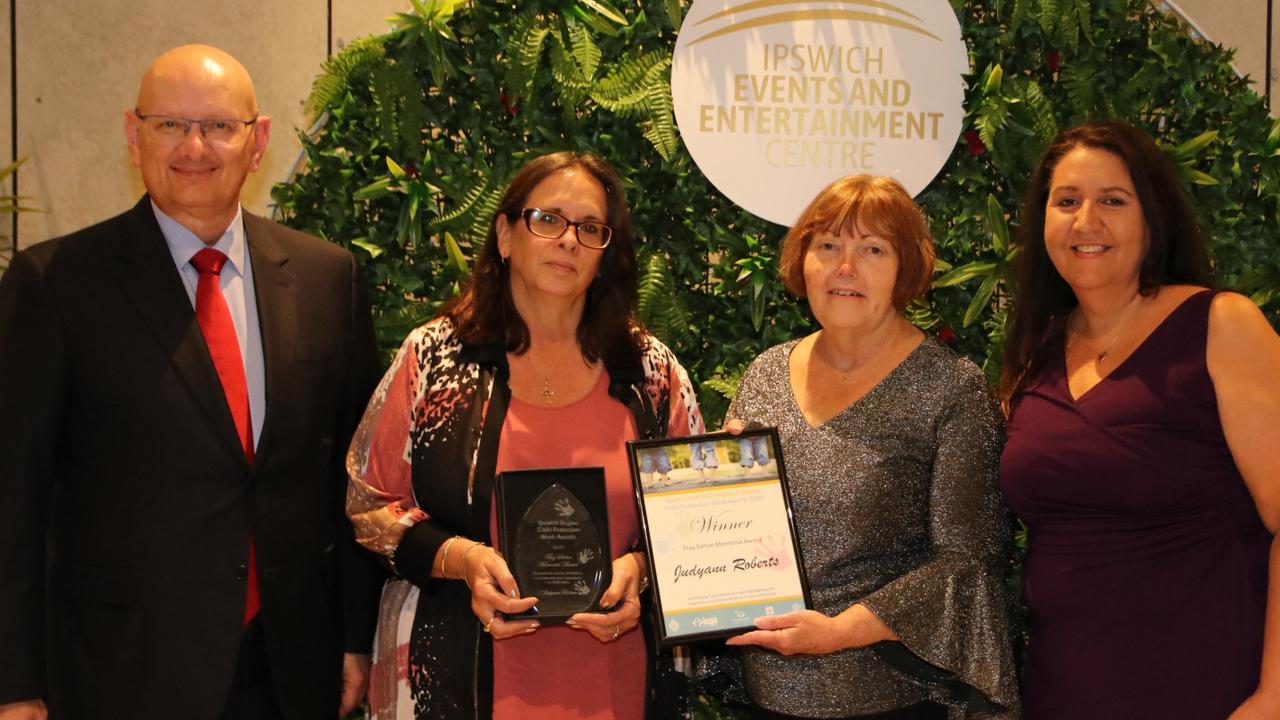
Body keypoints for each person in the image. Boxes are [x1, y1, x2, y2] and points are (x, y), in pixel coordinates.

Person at [0, 45, 383, 720]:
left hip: (290, 667)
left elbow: (352, 482)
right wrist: (15, 683)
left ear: (257, 140)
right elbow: (14, 497)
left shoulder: (329, 280)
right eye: (170, 125)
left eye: (218, 125)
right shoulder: (55, 284)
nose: (194, 147)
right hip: (119, 668)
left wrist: (357, 638)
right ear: (132, 133)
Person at [345, 151, 703, 719]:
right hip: (455, 676)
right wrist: (460, 558)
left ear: (606, 256)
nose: (568, 241)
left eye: (590, 229)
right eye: (547, 219)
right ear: (506, 235)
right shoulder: (434, 359)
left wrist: (640, 571)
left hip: (618, 683)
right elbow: (370, 507)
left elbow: (693, 526)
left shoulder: (651, 374)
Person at [999, 120, 1280, 719]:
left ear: (1153, 215)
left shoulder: (1221, 325)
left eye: (1113, 201)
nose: (1086, 222)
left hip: (1208, 686)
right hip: (1063, 689)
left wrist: (1274, 697)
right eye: (1067, 201)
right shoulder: (1037, 351)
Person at [718, 174, 1018, 719]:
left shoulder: (951, 389)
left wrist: (837, 633)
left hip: (889, 701)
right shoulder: (765, 373)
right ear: (802, 260)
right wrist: (711, 481)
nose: (845, 268)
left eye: (872, 249)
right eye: (828, 246)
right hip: (762, 698)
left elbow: (968, 562)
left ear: (905, 268)